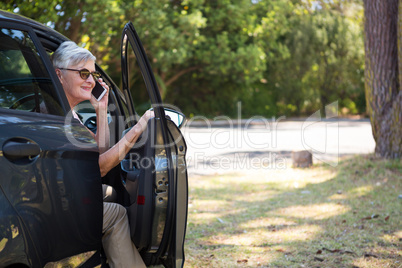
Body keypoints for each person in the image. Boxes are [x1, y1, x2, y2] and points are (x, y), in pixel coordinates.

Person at [52, 41, 152, 268]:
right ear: (59, 75)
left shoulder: (69, 114)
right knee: (116, 212)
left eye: (93, 75)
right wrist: (138, 128)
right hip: (58, 208)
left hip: (64, 195)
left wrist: (101, 109)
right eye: (83, 73)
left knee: (108, 192)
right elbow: (99, 167)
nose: (90, 80)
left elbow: (98, 152)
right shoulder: (58, 116)